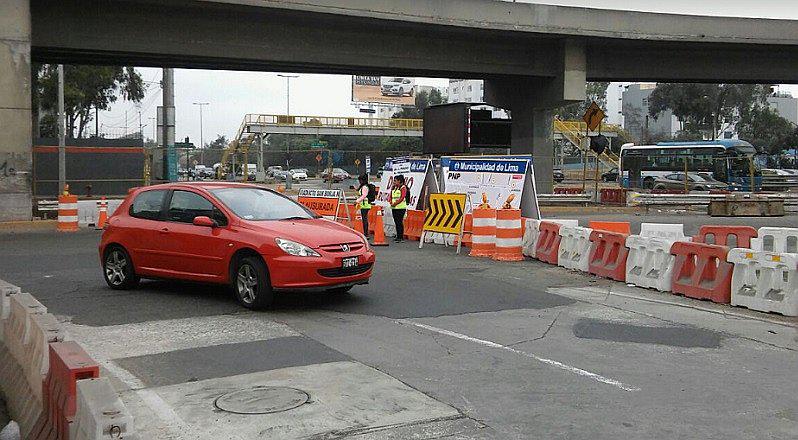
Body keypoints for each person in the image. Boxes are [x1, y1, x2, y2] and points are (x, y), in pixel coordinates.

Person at [390, 175, 408, 242]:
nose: (394, 182)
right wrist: (391, 202)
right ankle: (398, 236)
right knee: (396, 222)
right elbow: (391, 196)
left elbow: (402, 197)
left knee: (399, 222)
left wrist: (395, 203)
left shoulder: (403, 188)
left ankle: (401, 237)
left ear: (399, 181)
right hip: (394, 207)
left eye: (395, 180)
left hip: (400, 208)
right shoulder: (394, 188)